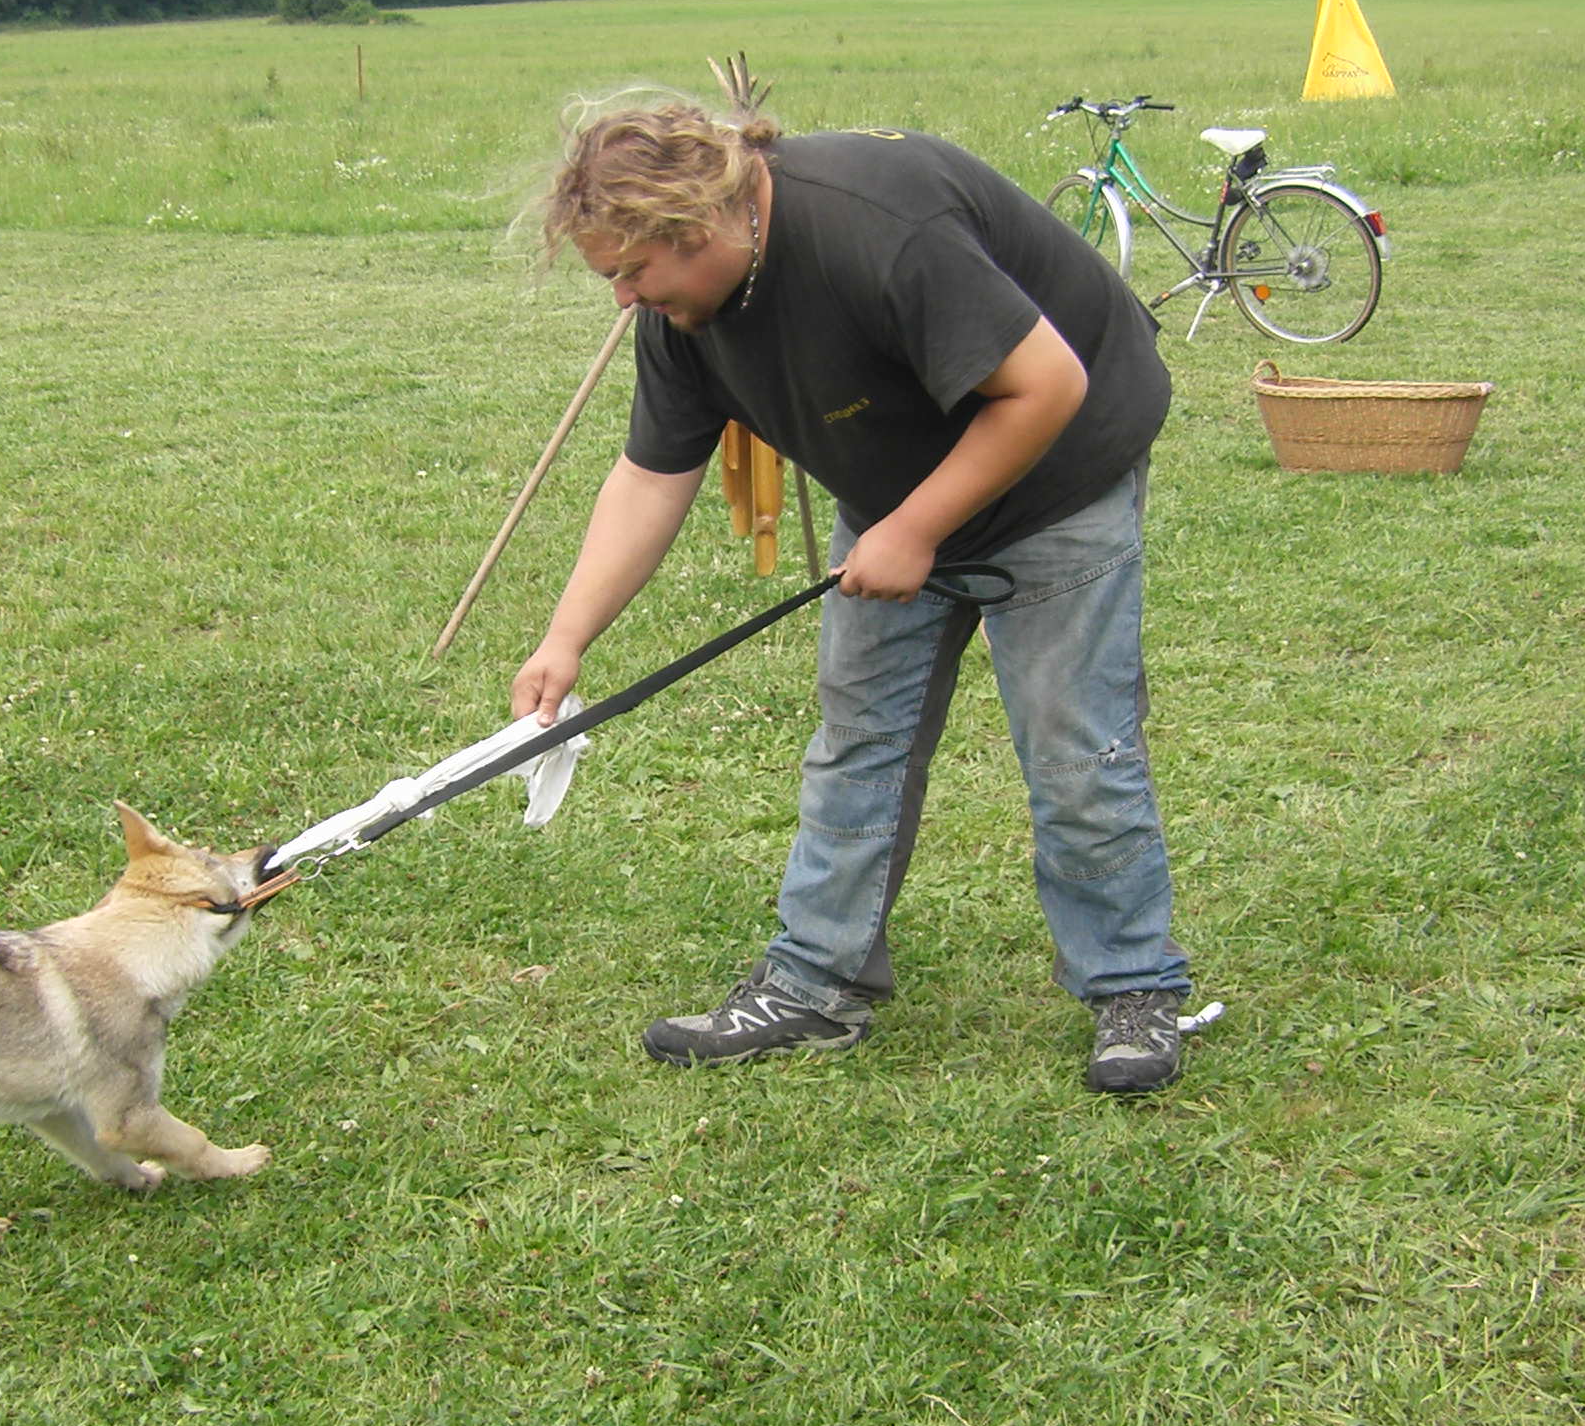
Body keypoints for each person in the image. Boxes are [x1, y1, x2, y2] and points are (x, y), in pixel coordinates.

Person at [514, 96, 1201, 1093]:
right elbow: (652, 476)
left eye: (631, 270)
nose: (623, 299)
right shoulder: (686, 313)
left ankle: (1133, 984)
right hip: (894, 490)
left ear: (698, 226)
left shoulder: (874, 228)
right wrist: (565, 638)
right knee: (857, 738)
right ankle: (813, 986)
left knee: (1073, 744)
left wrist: (919, 528)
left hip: (1058, 469)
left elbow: (1047, 385)